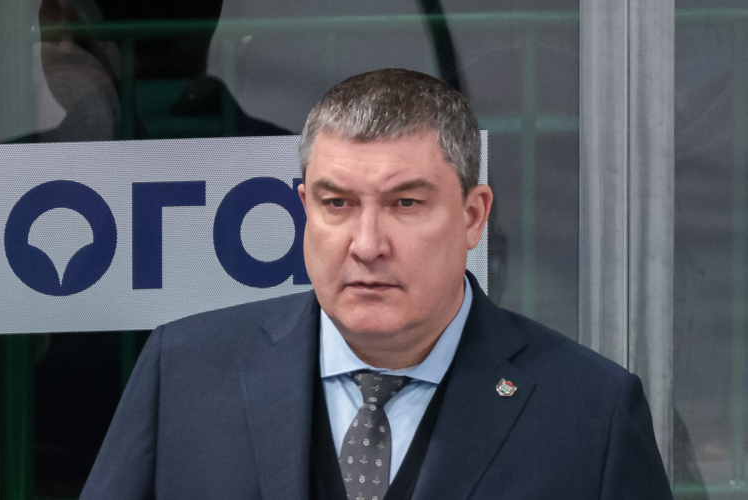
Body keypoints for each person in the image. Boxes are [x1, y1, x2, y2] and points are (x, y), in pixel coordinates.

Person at [81, 68, 673, 499]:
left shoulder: (589, 413)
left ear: (473, 216)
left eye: (405, 203)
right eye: (337, 203)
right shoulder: (183, 373)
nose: (366, 244)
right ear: (304, 209)